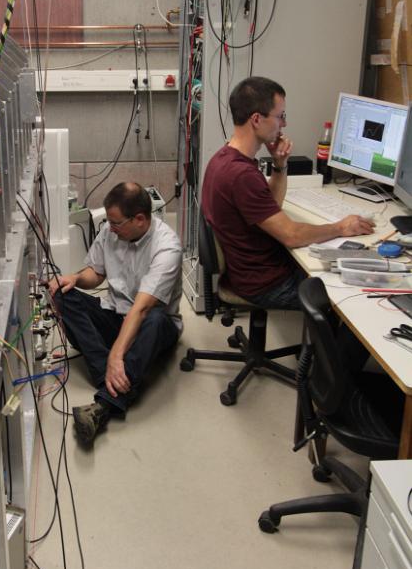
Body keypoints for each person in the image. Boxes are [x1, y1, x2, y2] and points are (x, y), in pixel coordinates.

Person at [201, 76, 374, 309]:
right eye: (280, 116)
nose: (284, 124)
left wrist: (280, 164)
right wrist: (341, 228)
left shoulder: (224, 159)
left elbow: (271, 205)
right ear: (256, 120)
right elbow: (291, 235)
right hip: (266, 283)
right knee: (350, 299)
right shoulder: (241, 175)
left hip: (246, 274)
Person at [49, 182, 182, 446]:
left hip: (152, 325)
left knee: (155, 319)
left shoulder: (167, 247)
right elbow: (95, 274)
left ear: (140, 219)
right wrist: (74, 278)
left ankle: (106, 403)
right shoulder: (113, 232)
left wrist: (116, 354)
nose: (111, 228)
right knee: (62, 295)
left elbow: (141, 309)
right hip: (115, 315)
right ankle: (111, 377)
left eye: (116, 223)